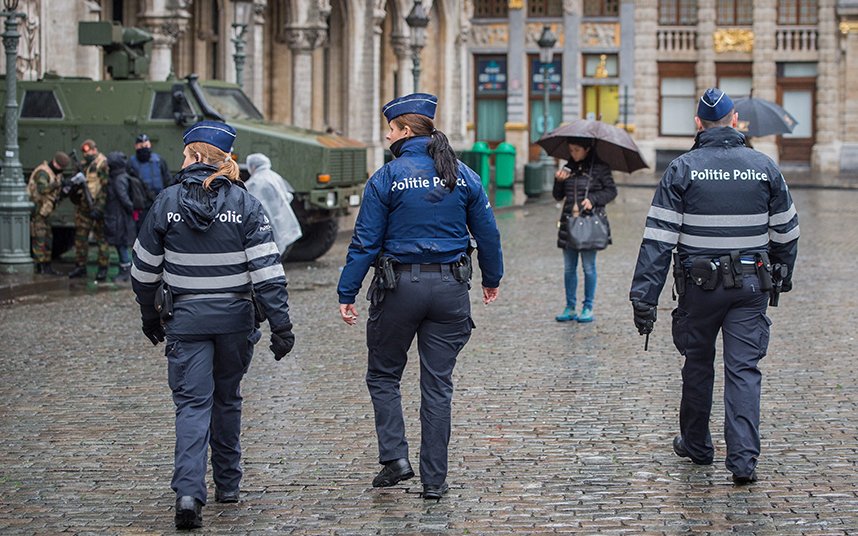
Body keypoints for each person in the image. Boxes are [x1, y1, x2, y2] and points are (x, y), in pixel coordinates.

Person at [337, 93, 503, 500]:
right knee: (438, 386)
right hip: (449, 289)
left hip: (398, 289)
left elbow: (365, 241)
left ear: (406, 131)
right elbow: (488, 233)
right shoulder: (462, 174)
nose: (387, 135)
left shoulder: (387, 177)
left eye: (391, 128)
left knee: (383, 375)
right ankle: (434, 481)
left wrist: (347, 290)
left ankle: (395, 457)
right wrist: (492, 277)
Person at [629, 88, 800, 485]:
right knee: (743, 370)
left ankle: (697, 445)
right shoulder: (764, 167)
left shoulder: (682, 169)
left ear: (698, 124)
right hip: (751, 286)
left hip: (699, 288)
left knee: (697, 365)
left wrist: (644, 298)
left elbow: (658, 240)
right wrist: (782, 273)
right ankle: (743, 461)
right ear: (735, 120)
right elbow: (787, 231)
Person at [131, 120, 295, 529]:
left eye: (186, 154)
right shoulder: (245, 204)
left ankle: (189, 494)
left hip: (186, 321)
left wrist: (149, 315)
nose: (182, 159)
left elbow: (144, 270)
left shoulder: (166, 202)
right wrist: (281, 325)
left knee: (192, 404)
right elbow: (267, 271)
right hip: (235, 321)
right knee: (227, 399)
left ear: (197, 156)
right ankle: (228, 484)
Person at [552, 137, 617, 323]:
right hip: (569, 223)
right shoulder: (568, 168)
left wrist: (593, 200)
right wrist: (558, 181)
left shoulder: (600, 168)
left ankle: (588, 306)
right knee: (569, 268)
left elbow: (611, 191)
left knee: (588, 268)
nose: (573, 153)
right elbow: (558, 196)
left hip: (589, 224)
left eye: (577, 150)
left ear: (587, 149)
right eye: (571, 150)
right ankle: (570, 307)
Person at [244, 153, 302, 260]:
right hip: (284, 221)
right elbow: (288, 196)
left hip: (268, 226)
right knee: (280, 252)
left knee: (272, 255)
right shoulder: (275, 176)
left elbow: (247, 205)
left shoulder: (254, 182)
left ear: (253, 166)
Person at [68, 139, 111, 281]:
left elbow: (105, 188)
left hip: (98, 207)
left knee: (101, 239)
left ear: (95, 149)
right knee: (80, 238)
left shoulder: (102, 164)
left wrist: (99, 208)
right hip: (83, 207)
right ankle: (80, 266)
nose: (87, 154)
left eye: (89, 151)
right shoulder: (82, 165)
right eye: (84, 153)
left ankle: (103, 267)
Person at [27, 151, 71, 275]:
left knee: (47, 239)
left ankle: (46, 265)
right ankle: (40, 266)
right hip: (38, 212)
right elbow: (42, 189)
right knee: (39, 239)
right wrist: (57, 184)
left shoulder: (55, 174)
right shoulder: (43, 172)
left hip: (46, 212)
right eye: (59, 167)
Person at [128, 133, 173, 231]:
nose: (144, 148)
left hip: (159, 202)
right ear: (136, 146)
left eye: (146, 145)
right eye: (141, 146)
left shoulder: (159, 160)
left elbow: (168, 180)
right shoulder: (131, 163)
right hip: (141, 206)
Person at [103, 152, 136, 283]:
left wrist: (130, 209)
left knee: (121, 245)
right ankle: (126, 269)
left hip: (119, 218)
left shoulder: (118, 179)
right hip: (118, 217)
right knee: (120, 244)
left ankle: (125, 270)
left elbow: (124, 199)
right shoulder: (121, 177)